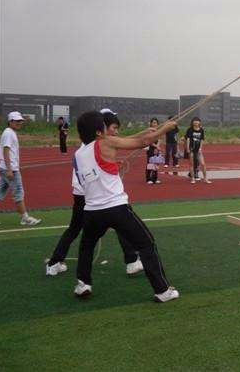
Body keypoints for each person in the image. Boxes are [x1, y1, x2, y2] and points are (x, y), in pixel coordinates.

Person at [72, 110, 179, 302]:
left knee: (86, 246)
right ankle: (162, 290)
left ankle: (83, 284)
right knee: (146, 244)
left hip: (92, 212)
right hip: (116, 208)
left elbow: (124, 140)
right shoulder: (105, 143)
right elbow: (142, 143)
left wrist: (145, 131)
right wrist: (165, 128)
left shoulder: (79, 154)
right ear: (99, 131)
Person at [46, 110, 142, 277]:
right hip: (91, 195)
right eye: (111, 127)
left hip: (85, 194)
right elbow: (127, 142)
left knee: (76, 229)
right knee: (114, 225)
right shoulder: (97, 145)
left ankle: (55, 263)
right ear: (100, 128)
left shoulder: (91, 144)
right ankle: (131, 261)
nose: (115, 131)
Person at [0, 112, 41, 226]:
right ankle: (25, 218)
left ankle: (25, 218)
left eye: (20, 121)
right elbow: (6, 150)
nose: (19, 123)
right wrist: (9, 169)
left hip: (5, 167)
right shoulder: (9, 133)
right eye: (17, 121)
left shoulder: (9, 132)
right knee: (18, 192)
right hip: (9, 168)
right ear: (10, 121)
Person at [185, 117, 211, 184]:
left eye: (197, 122)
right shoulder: (190, 129)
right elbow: (188, 139)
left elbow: (202, 139)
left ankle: (205, 178)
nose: (196, 123)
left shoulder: (201, 130)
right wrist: (187, 148)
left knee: (203, 164)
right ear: (192, 122)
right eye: (195, 121)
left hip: (198, 149)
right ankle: (193, 178)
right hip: (191, 149)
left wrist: (200, 148)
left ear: (199, 123)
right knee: (191, 164)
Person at [145, 118, 160, 183]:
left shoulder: (158, 131)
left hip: (157, 149)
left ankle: (155, 178)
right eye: (153, 122)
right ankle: (148, 179)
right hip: (151, 149)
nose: (155, 124)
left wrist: (158, 146)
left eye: (156, 123)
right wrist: (156, 146)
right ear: (151, 123)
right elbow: (149, 141)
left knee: (156, 163)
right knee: (150, 163)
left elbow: (160, 139)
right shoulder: (149, 131)